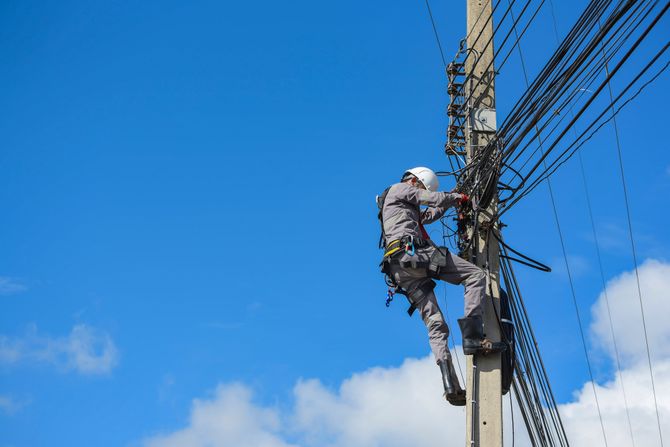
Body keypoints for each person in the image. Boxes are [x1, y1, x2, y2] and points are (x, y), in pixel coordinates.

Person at [377, 167, 505, 406]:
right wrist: (458, 198)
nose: (420, 192)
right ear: (414, 180)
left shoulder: (396, 206)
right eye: (421, 187)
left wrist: (449, 202)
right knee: (475, 275)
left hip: (401, 270)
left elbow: (429, 213)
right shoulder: (400, 188)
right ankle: (473, 337)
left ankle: (451, 385)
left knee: (436, 325)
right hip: (416, 254)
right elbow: (431, 198)